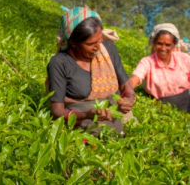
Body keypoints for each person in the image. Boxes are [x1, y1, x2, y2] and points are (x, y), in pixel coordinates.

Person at [46, 7, 135, 135]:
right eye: (91, 44)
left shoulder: (108, 49)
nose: (98, 47)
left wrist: (128, 99)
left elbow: (126, 85)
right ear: (73, 42)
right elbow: (57, 111)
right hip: (82, 122)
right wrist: (87, 115)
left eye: (100, 40)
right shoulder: (60, 63)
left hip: (117, 116)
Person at [128, 23, 190, 112]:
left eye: (168, 45)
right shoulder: (147, 62)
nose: (163, 48)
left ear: (174, 45)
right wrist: (127, 92)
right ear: (154, 43)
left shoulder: (184, 59)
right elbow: (135, 78)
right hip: (162, 109)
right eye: (159, 44)